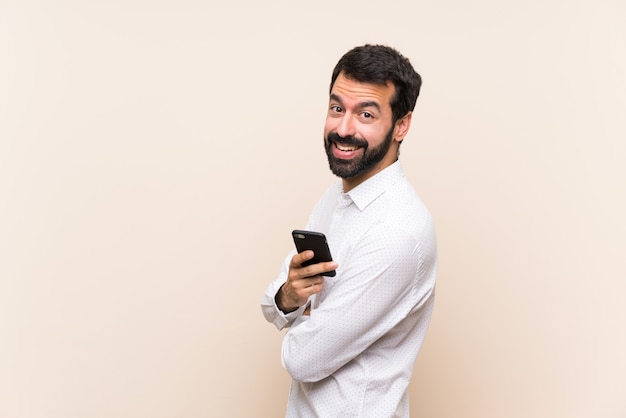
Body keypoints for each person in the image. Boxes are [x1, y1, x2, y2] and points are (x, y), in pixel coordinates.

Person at [261, 44, 437, 418]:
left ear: (400, 125)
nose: (343, 128)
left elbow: (302, 359)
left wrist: (305, 321)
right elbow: (272, 302)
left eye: (366, 114)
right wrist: (292, 298)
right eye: (337, 108)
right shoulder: (336, 196)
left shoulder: (398, 232)